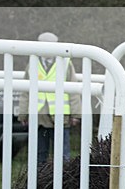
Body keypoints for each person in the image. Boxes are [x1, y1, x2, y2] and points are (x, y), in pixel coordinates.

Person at [18, 32, 81, 164]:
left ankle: (64, 182)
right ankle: (40, 182)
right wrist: (23, 113)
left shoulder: (65, 64)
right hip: (39, 117)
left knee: (63, 154)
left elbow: (73, 90)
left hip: (60, 117)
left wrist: (75, 114)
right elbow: (25, 91)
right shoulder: (33, 63)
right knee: (39, 154)